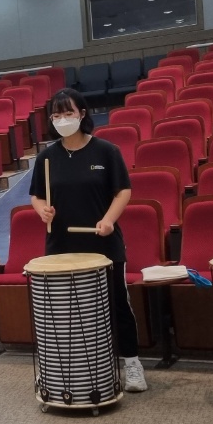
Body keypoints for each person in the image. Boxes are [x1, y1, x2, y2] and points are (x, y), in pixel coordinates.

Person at [28, 88, 147, 393]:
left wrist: (108, 220)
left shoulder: (106, 151)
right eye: (56, 115)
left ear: (82, 114)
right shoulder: (46, 158)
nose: (62, 119)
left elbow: (123, 191)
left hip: (104, 244)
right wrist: (42, 210)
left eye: (68, 113)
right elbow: (36, 196)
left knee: (117, 304)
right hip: (61, 246)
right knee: (64, 312)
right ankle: (63, 369)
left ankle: (132, 363)